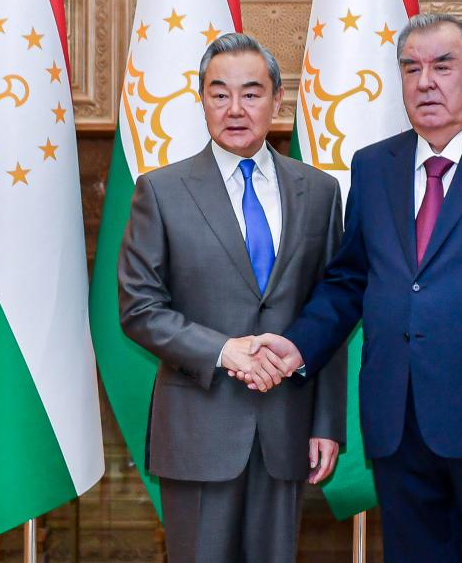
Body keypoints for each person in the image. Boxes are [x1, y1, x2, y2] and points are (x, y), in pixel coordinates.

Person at [242, 14, 462, 562]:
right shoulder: (375, 165)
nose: (425, 82)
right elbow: (350, 279)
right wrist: (298, 345)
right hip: (399, 422)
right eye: (411, 68)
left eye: (442, 67)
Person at [118, 33, 347, 563]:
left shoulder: (319, 192)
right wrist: (224, 351)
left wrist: (326, 423)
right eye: (219, 94)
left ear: (277, 99)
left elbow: (330, 311)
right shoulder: (161, 191)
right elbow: (139, 307)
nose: (235, 109)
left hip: (287, 428)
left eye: (251, 93)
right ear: (201, 101)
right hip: (199, 429)